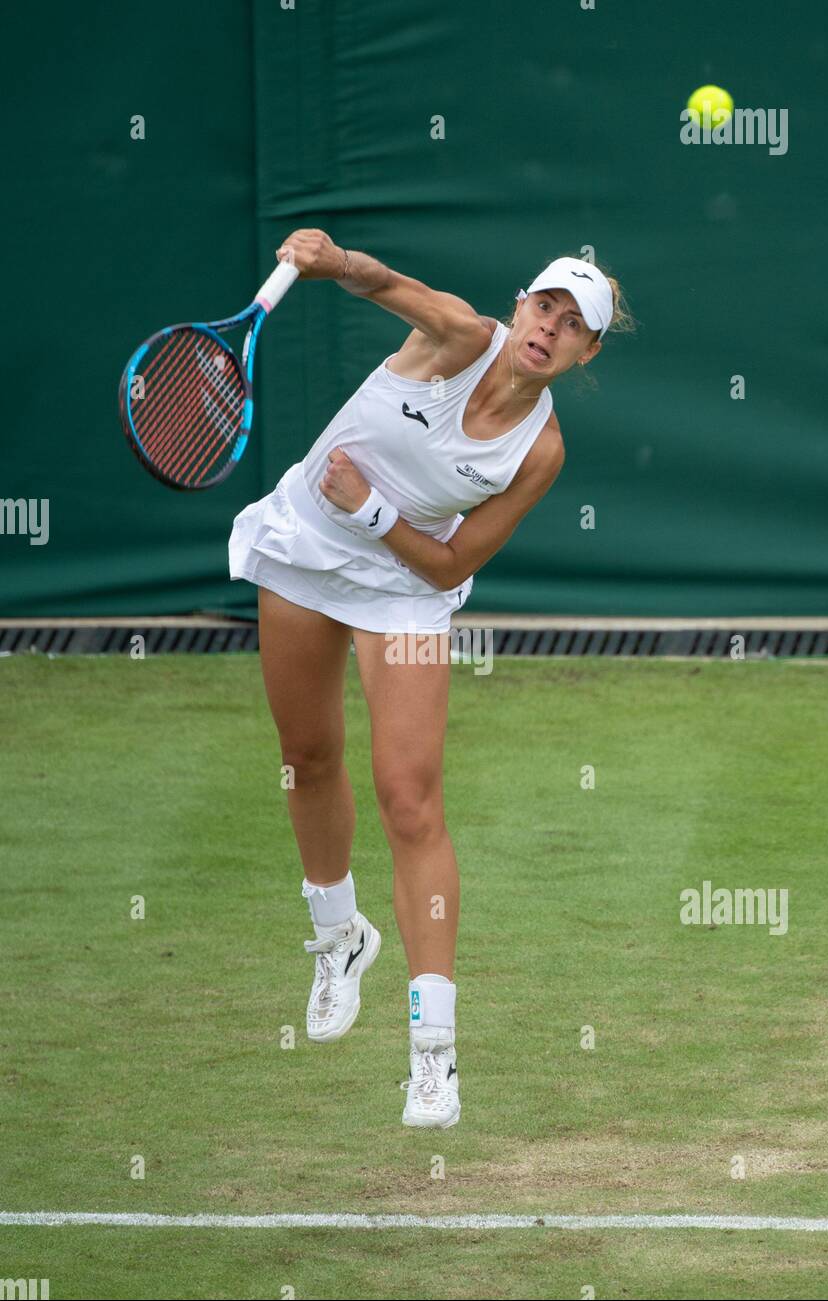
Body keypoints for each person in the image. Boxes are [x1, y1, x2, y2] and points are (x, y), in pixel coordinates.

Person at [229, 228, 631, 1128]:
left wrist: (370, 511)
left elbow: (449, 567)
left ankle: (434, 1056)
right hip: (302, 543)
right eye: (544, 307)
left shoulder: (539, 451)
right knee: (307, 755)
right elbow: (382, 282)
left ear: (586, 351)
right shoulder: (456, 334)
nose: (549, 328)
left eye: (573, 325)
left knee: (409, 801)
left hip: (403, 587)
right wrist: (330, 262)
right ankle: (338, 934)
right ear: (520, 304)